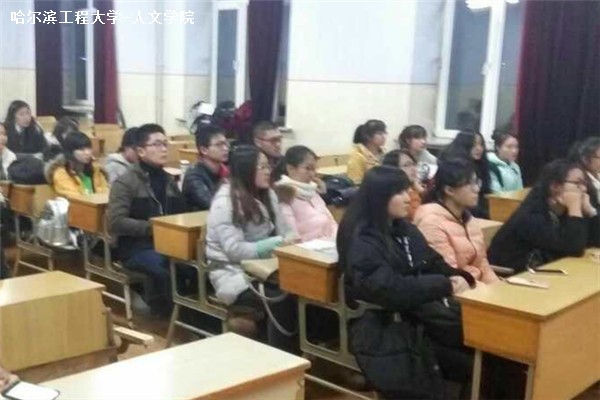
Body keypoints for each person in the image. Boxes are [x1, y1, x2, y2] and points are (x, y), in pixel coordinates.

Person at [337, 166, 476, 398]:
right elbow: (389, 289)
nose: (408, 197)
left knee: (489, 351)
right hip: (385, 326)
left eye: (408, 190)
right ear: (380, 197)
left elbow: (431, 261)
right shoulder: (363, 239)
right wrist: (444, 285)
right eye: (399, 192)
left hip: (418, 315)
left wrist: (460, 276)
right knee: (477, 363)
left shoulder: (404, 229)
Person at [206, 145, 297, 352]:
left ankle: (293, 351)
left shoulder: (267, 194)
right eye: (262, 167)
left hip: (269, 268)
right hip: (234, 273)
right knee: (282, 297)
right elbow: (234, 250)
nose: (268, 171)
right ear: (246, 169)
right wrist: (276, 243)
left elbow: (285, 230)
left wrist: (291, 239)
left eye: (268, 166)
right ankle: (279, 356)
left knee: (303, 288)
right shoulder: (225, 202)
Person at [108, 123, 188, 316]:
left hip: (168, 243)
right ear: (141, 151)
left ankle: (190, 315)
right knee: (164, 268)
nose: (163, 149)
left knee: (192, 267)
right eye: (157, 144)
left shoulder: (169, 181)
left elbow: (181, 214)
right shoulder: (125, 182)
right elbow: (115, 222)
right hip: (136, 247)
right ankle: (171, 316)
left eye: (165, 144)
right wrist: (153, 228)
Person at [488, 159, 599, 272]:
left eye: (584, 183)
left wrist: (591, 211)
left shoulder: (563, 210)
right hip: (512, 275)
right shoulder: (531, 215)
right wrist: (574, 208)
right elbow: (574, 249)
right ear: (555, 186)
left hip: (546, 270)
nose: (584, 189)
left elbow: (595, 242)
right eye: (577, 183)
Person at [414, 159, 500, 284]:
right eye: (470, 184)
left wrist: (498, 288)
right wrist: (488, 292)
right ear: (449, 190)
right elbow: (451, 275)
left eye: (477, 182)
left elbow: (482, 265)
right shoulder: (431, 223)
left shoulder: (468, 219)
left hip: (477, 287)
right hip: (459, 289)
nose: (477, 189)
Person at [274, 145, 338, 241]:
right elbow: (292, 236)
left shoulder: (312, 191)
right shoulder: (284, 194)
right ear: (290, 168)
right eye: (307, 168)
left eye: (314, 169)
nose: (312, 174)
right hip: (307, 247)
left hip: (329, 243)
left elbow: (332, 222)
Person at [440, 130, 491, 218]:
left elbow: (485, 192)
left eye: (481, 144)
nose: (479, 148)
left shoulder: (481, 165)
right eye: (474, 145)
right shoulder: (453, 168)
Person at [45, 131, 109, 198]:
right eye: (82, 149)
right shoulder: (61, 173)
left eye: (89, 148)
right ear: (70, 152)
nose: (87, 153)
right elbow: (74, 199)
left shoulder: (96, 170)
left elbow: (107, 193)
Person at [182, 124, 229, 211]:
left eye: (226, 144)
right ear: (204, 150)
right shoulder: (194, 176)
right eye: (219, 145)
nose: (225, 148)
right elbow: (210, 204)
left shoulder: (226, 171)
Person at [383, 149, 424, 221]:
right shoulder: (394, 194)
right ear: (393, 169)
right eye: (407, 165)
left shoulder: (415, 187)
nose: (413, 169)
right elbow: (418, 216)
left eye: (414, 164)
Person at [346, 119, 387, 184]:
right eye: (379, 133)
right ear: (368, 136)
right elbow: (355, 183)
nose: (384, 136)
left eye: (385, 133)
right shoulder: (357, 156)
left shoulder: (384, 153)